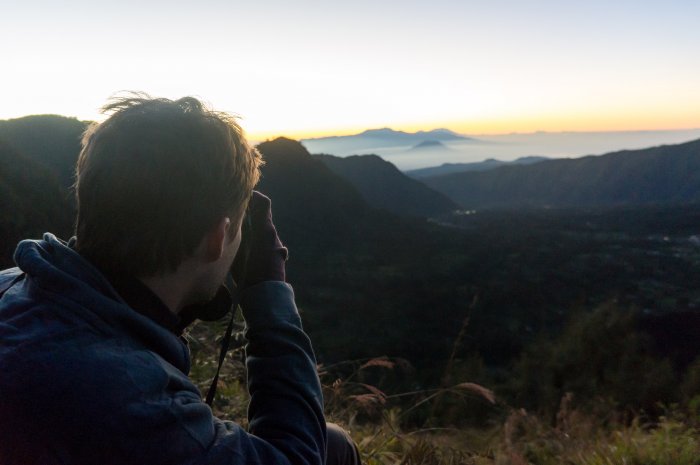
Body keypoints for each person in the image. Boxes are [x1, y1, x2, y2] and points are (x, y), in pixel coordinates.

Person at [0, 95, 361, 465]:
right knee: (331, 448)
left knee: (330, 441)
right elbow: (298, 458)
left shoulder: (13, 285)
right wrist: (269, 292)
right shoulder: (130, 397)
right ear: (217, 238)